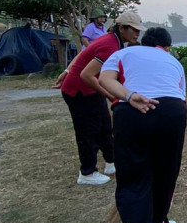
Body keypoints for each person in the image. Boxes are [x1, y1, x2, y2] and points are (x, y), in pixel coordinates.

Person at [98, 27, 187, 223]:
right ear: (165, 47)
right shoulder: (173, 61)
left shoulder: (124, 53)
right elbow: (180, 96)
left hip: (133, 111)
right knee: (165, 173)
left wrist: (129, 95)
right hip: (173, 111)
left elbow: (104, 79)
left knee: (134, 177)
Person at [55, 10, 143, 185]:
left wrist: (66, 70)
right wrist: (110, 95)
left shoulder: (114, 41)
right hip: (79, 91)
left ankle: (111, 162)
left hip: (91, 91)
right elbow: (86, 75)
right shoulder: (110, 45)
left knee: (104, 125)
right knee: (88, 131)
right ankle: (87, 172)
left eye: (138, 30)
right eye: (133, 29)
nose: (137, 33)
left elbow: (83, 55)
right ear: (122, 28)